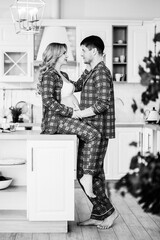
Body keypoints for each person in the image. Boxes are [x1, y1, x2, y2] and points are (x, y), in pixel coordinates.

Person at [38, 42, 100, 198]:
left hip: (68, 117)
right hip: (58, 120)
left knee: (90, 137)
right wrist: (71, 112)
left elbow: (76, 86)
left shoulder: (62, 75)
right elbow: (48, 101)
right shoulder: (49, 75)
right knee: (94, 135)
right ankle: (87, 176)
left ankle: (86, 174)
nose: (67, 55)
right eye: (64, 52)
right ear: (56, 55)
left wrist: (89, 69)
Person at [70, 35, 118, 229]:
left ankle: (110, 212)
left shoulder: (102, 73)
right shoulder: (91, 71)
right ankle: (98, 214)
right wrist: (57, 78)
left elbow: (103, 104)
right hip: (89, 130)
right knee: (90, 174)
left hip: (97, 130)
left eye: (83, 50)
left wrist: (79, 114)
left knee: (89, 175)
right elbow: (76, 85)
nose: (81, 54)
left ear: (94, 51)